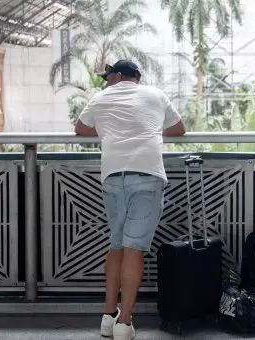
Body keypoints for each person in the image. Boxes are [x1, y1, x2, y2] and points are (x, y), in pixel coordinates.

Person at [74, 59, 186, 340]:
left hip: (112, 176)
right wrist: (148, 129)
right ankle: (124, 323)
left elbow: (81, 129)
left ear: (118, 76)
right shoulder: (155, 94)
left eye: (107, 77)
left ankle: (108, 317)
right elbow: (178, 129)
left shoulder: (100, 98)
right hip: (147, 174)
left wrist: (110, 130)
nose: (104, 82)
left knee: (117, 245)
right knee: (134, 249)